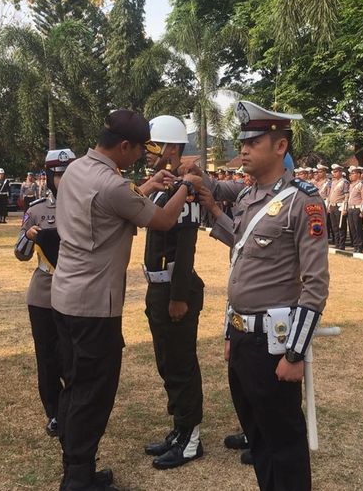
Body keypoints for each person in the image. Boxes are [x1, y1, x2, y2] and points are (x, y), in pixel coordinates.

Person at [50, 109, 204, 491]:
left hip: (66, 296)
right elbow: (165, 221)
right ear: (123, 145)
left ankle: (77, 465)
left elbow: (124, 205)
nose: (142, 157)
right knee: (93, 393)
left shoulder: (79, 170)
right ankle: (78, 478)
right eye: (138, 151)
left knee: (74, 385)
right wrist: (187, 183)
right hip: (94, 305)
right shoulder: (113, 184)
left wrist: (151, 184)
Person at [201, 100, 330, 491]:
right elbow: (241, 260)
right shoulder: (247, 197)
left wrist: (294, 354)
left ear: (280, 147)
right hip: (243, 337)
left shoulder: (302, 200)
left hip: (274, 344)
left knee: (285, 443)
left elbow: (316, 284)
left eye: (254, 141)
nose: (244, 149)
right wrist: (229, 330)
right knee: (257, 437)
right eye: (243, 141)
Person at [140, 115, 206, 470]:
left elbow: (185, 247)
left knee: (181, 364)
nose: (146, 154)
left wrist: (179, 296)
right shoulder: (166, 186)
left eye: (153, 148)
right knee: (167, 363)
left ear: (172, 149)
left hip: (174, 290)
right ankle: (179, 428)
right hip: (158, 288)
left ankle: (190, 437)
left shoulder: (187, 189)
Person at [15, 149, 77, 441]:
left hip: (77, 294)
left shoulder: (84, 205)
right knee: (48, 358)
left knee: (72, 356)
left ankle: (73, 409)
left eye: (67, 172)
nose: (62, 179)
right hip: (43, 294)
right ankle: (54, 413)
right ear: (50, 177)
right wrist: (28, 237)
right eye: (57, 173)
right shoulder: (38, 209)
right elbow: (20, 253)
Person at [328, 163, 349, 250]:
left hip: (340, 206)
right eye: (333, 172)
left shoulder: (344, 182)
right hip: (332, 206)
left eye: (336, 171)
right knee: (334, 226)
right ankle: (337, 243)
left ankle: (341, 244)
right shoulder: (333, 182)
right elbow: (330, 195)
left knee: (341, 226)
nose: (334, 173)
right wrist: (329, 205)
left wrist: (345, 208)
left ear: (340, 172)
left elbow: (346, 195)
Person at [347, 166, 363, 253]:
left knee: (358, 228)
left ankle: (359, 246)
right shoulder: (351, 185)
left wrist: (362, 210)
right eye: (350, 174)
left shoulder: (361, 185)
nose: (351, 175)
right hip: (351, 208)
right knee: (352, 229)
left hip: (357, 209)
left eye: (353, 173)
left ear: (358, 174)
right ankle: (355, 245)